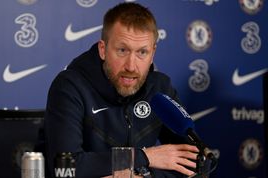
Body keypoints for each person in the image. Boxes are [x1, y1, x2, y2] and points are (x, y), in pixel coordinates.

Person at [44, 2, 199, 178]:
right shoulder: (69, 87)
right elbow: (66, 168)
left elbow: (196, 162)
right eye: (122, 50)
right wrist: (143, 157)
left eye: (142, 52)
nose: (131, 66)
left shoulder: (160, 89)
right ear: (103, 50)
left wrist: (143, 176)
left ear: (153, 53)